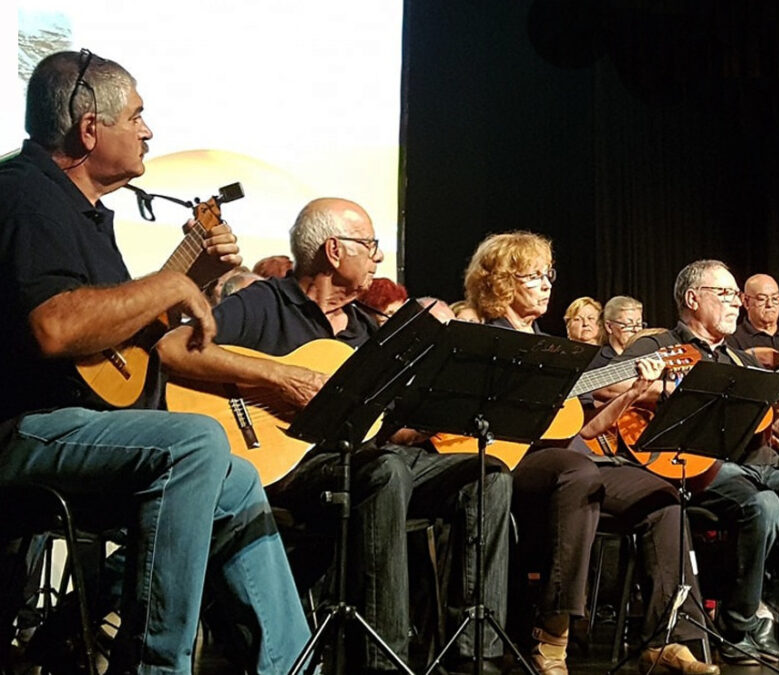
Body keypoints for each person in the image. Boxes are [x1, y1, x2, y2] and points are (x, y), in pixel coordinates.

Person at [0, 49, 308, 674]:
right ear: (90, 129)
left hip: (81, 427)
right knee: (195, 442)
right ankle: (153, 666)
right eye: (137, 117)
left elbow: (126, 346)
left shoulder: (83, 212)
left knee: (238, 478)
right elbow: (55, 328)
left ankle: (294, 666)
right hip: (21, 427)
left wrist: (190, 276)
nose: (148, 131)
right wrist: (168, 287)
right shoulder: (23, 195)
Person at [157, 198, 512, 673]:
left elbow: (389, 425)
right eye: (369, 244)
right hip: (286, 462)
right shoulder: (267, 301)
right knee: (383, 472)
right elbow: (173, 348)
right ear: (333, 251)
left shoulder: (370, 331)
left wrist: (439, 414)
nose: (379, 256)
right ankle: (382, 664)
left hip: (362, 456)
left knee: (486, 475)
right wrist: (279, 378)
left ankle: (475, 659)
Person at [464, 232, 717, 675]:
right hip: (511, 461)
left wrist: (635, 391)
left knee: (661, 496)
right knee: (577, 472)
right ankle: (554, 632)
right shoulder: (484, 340)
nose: (546, 285)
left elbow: (585, 427)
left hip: (572, 459)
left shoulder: (553, 348)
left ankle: (667, 639)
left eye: (548, 275)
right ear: (501, 283)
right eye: (533, 276)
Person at [617, 260, 779, 665]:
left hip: (757, 464)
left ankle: (775, 614)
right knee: (762, 505)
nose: (735, 305)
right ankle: (737, 625)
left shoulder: (742, 362)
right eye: (724, 295)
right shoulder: (655, 346)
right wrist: (668, 389)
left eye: (734, 297)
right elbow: (611, 384)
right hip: (690, 466)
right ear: (692, 299)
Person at [727, 273, 779, 369]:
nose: (769, 304)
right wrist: (749, 356)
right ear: (746, 302)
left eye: (775, 298)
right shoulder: (732, 339)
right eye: (762, 299)